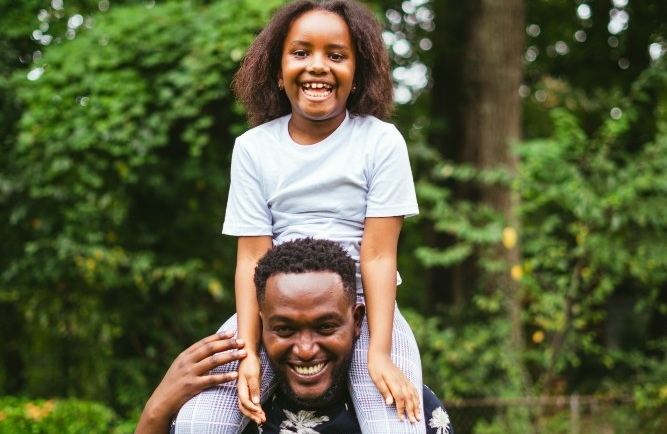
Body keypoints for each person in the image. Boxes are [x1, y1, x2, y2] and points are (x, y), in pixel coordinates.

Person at [177, 1, 425, 433]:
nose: (317, 67)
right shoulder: (253, 148)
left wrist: (379, 351)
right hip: (277, 311)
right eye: (301, 52)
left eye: (336, 55)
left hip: (363, 308)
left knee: (397, 425)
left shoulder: (382, 142)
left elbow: (381, 256)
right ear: (277, 70)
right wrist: (249, 351)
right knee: (201, 421)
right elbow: (252, 256)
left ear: (357, 73)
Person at [136, 239, 452, 434]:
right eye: (285, 329)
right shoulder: (222, 411)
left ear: (357, 321)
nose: (304, 349)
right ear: (260, 326)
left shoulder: (403, 403)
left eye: (325, 327)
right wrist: (156, 411)